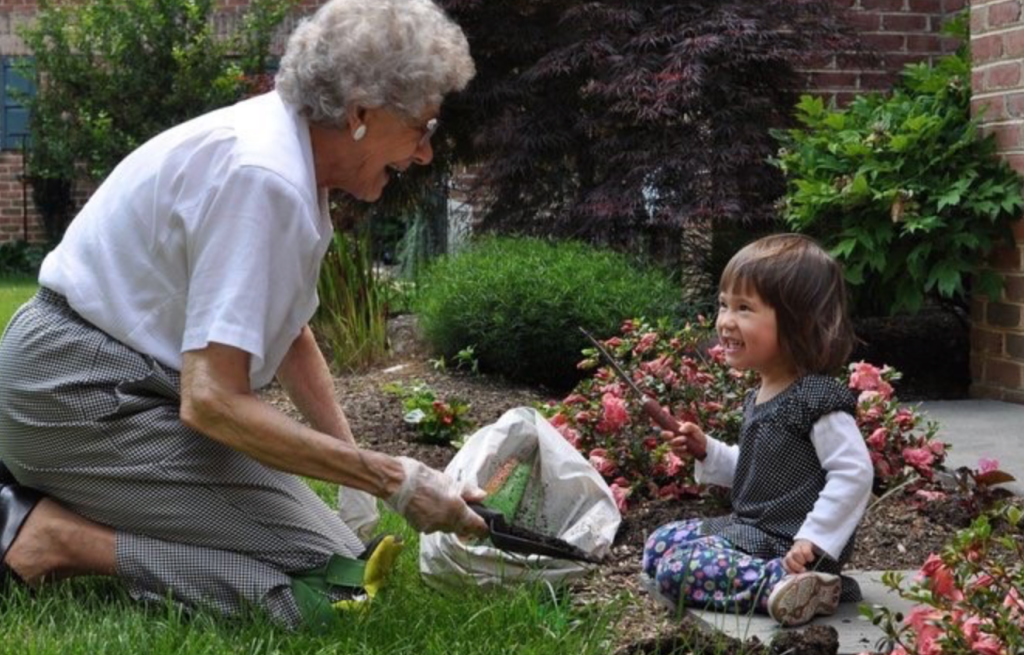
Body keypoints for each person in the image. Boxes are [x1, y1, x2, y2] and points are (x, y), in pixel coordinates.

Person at [0, 0, 487, 631]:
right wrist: (392, 478)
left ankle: (95, 502)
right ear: (361, 114)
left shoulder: (287, 155)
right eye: (422, 127)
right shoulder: (264, 176)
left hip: (108, 380)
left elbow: (288, 332)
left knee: (343, 556)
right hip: (72, 395)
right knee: (330, 591)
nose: (424, 153)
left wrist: (356, 471)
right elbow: (211, 402)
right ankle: (58, 539)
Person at [640, 234, 874, 627]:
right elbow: (758, 469)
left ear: (798, 322)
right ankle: (802, 586)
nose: (726, 321)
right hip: (753, 531)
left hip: (786, 543)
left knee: (676, 568)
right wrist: (706, 451)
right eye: (723, 304)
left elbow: (855, 472)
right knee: (659, 544)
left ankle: (783, 585)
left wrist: (813, 540)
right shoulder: (761, 394)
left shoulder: (815, 397)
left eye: (745, 308)